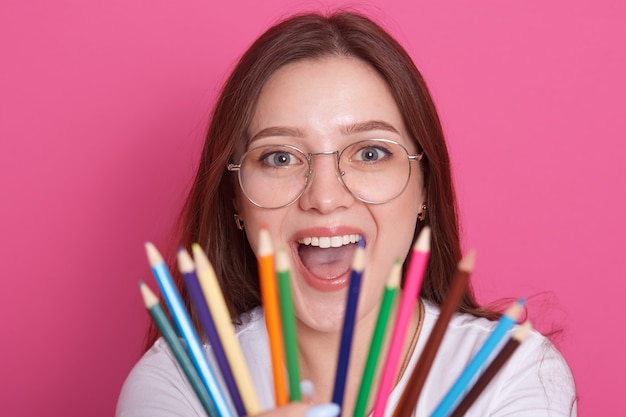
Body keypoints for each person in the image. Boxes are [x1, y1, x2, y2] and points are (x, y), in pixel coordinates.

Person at [116, 10, 577, 417]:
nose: (325, 196)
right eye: (279, 157)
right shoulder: (176, 387)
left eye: (371, 153)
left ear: (424, 190)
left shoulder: (513, 377)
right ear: (235, 200)